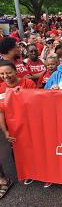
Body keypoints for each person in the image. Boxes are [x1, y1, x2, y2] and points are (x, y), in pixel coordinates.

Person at [0, 61, 36, 195]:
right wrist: (6, 131)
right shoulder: (0, 89)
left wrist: (21, 96)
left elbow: (37, 104)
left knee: (36, 149)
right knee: (19, 152)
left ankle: (43, 172)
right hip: (14, 130)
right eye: (2, 73)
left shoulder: (28, 84)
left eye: (8, 72)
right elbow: (1, 113)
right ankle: (28, 173)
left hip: (31, 126)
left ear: (16, 71)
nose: (6, 76)